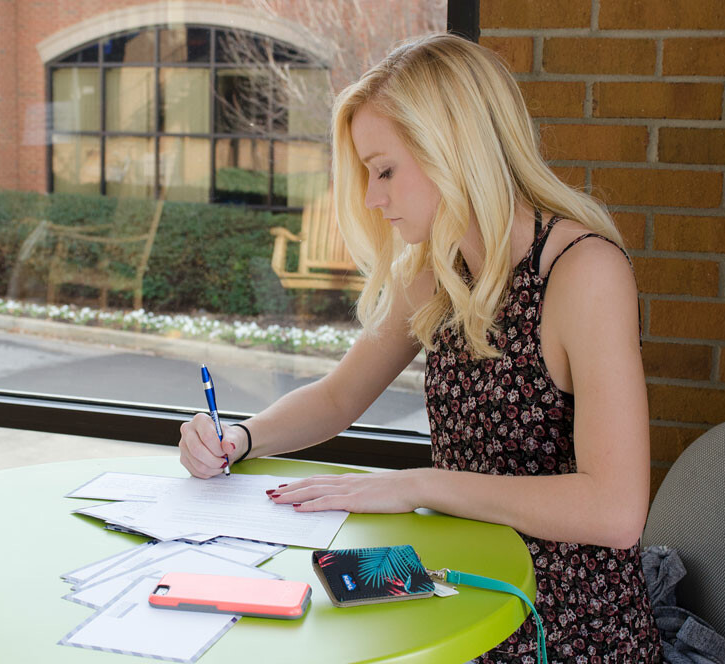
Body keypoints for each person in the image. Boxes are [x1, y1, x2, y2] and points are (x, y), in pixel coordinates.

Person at [178, 32, 662, 662]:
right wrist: (238, 439)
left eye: (385, 170)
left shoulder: (583, 272)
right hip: (454, 570)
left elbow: (616, 509)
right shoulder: (437, 268)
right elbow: (337, 396)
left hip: (560, 615)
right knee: (280, 609)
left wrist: (420, 485)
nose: (373, 199)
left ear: (451, 148)